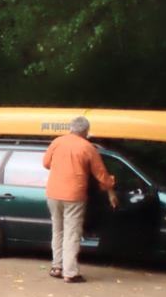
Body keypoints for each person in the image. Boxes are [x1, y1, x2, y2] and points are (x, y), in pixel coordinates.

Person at [42, 116, 118, 283]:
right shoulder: (88, 147)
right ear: (85, 131)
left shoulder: (57, 142)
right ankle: (70, 273)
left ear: (71, 128)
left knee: (57, 230)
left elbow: (46, 163)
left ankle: (57, 267)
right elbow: (101, 173)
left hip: (53, 193)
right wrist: (111, 190)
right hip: (74, 196)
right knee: (72, 233)